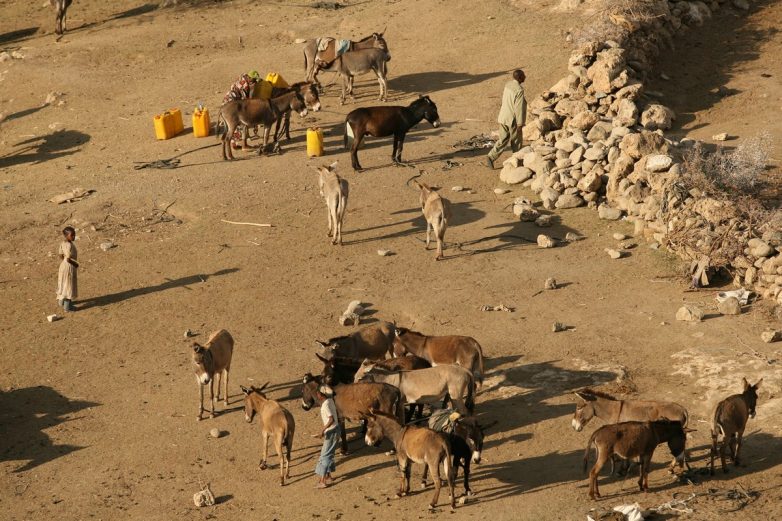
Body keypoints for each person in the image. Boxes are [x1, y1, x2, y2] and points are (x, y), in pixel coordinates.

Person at [486, 69, 527, 169]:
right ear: (520, 78)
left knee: (502, 139)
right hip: (512, 120)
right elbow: (519, 107)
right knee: (516, 141)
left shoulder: (508, 85)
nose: (525, 77)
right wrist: (520, 123)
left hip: (503, 116)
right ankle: (517, 160)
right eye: (524, 75)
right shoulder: (519, 90)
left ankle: (491, 157)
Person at [222, 70, 261, 150]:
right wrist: (252, 89)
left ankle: (234, 145)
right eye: (253, 80)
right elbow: (245, 101)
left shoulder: (243, 76)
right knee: (242, 122)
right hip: (231, 104)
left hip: (226, 101)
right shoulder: (245, 86)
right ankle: (244, 145)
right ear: (249, 78)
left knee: (231, 126)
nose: (254, 82)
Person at [314, 385, 339, 489]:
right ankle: (328, 475)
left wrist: (322, 431)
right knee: (329, 453)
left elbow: (331, 419)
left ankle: (323, 481)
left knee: (325, 455)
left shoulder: (325, 405)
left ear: (320, 394)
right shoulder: (331, 401)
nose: (316, 395)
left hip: (331, 432)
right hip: (336, 430)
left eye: (317, 393)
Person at [56, 226, 78, 312]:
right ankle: (67, 307)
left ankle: (61, 302)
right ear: (66, 236)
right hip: (69, 266)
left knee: (63, 284)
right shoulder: (69, 245)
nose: (74, 237)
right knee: (68, 286)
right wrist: (75, 264)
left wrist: (64, 261)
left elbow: (60, 255)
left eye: (74, 235)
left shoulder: (63, 243)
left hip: (63, 266)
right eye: (72, 235)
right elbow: (69, 258)